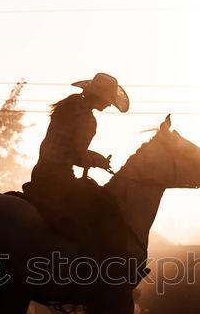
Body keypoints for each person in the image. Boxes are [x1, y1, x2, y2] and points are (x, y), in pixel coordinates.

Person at [25, 73, 132, 265]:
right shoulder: (87, 119)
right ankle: (92, 261)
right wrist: (97, 160)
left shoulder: (69, 106)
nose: (108, 105)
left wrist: (91, 157)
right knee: (103, 205)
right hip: (59, 177)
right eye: (108, 101)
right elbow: (77, 153)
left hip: (41, 171)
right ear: (99, 97)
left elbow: (65, 147)